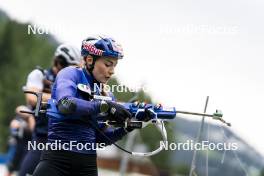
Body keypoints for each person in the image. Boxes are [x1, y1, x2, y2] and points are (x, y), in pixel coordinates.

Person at [32, 35, 146, 176]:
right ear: (90, 60)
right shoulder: (70, 74)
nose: (112, 71)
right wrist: (104, 106)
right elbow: (65, 104)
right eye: (107, 64)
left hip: (87, 165)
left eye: (114, 66)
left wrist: (127, 127)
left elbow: (101, 139)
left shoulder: (107, 95)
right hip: (57, 160)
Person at [19, 44, 82, 176]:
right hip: (42, 139)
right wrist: (65, 97)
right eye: (69, 67)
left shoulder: (74, 82)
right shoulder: (40, 75)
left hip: (67, 143)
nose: (72, 72)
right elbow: (32, 97)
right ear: (59, 62)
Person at [5, 106, 33, 176]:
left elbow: (32, 129)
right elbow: (18, 109)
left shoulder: (32, 116)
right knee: (11, 166)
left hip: (28, 145)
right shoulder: (20, 116)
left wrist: (22, 125)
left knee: (23, 167)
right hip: (17, 145)